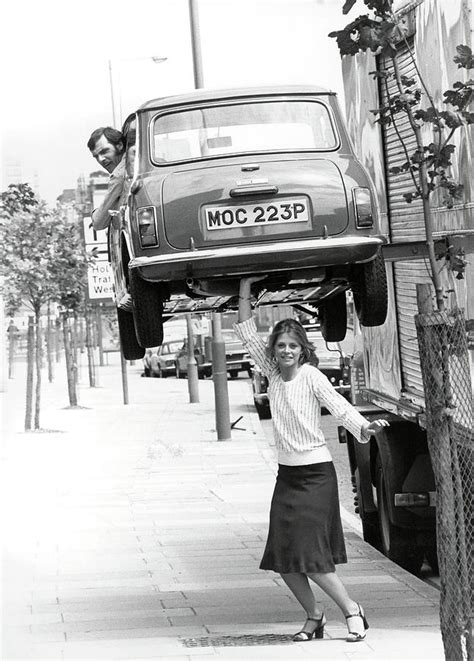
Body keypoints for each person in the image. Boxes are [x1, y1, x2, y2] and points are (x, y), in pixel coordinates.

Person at [234, 276, 389, 643]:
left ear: (303, 350)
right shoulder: (272, 375)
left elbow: (338, 405)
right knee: (283, 558)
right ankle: (314, 616)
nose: (286, 351)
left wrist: (364, 428)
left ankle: (353, 611)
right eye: (281, 345)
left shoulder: (311, 376)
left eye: (293, 346)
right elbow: (245, 329)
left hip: (316, 475)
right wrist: (245, 286)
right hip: (286, 478)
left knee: (312, 557)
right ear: (274, 351)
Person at [87, 127, 126, 231]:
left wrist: (96, 213)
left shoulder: (119, 175)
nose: (101, 159)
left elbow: (98, 223)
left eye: (105, 151)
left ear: (120, 145)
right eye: (96, 156)